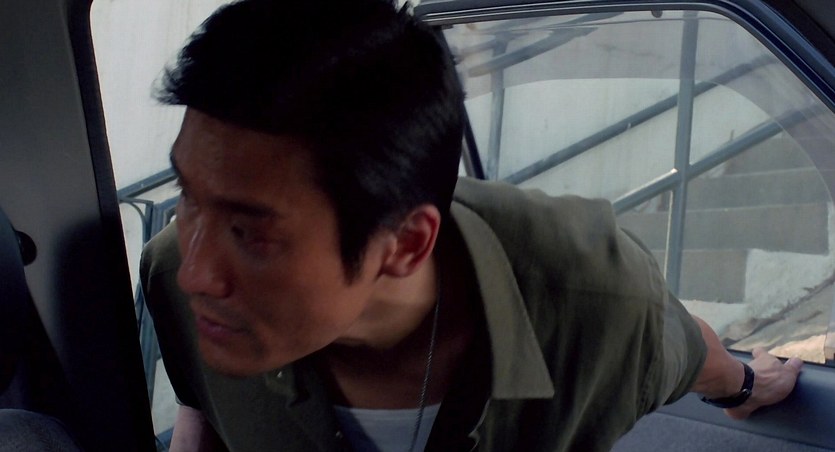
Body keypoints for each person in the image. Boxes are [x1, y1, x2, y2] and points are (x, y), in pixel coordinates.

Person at [140, 0, 803, 450]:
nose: (197, 272)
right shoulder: (172, 273)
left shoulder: (593, 301)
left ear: (404, 245)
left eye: (251, 234)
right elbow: (203, 402)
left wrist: (748, 385)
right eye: (188, 196)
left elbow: (684, 352)